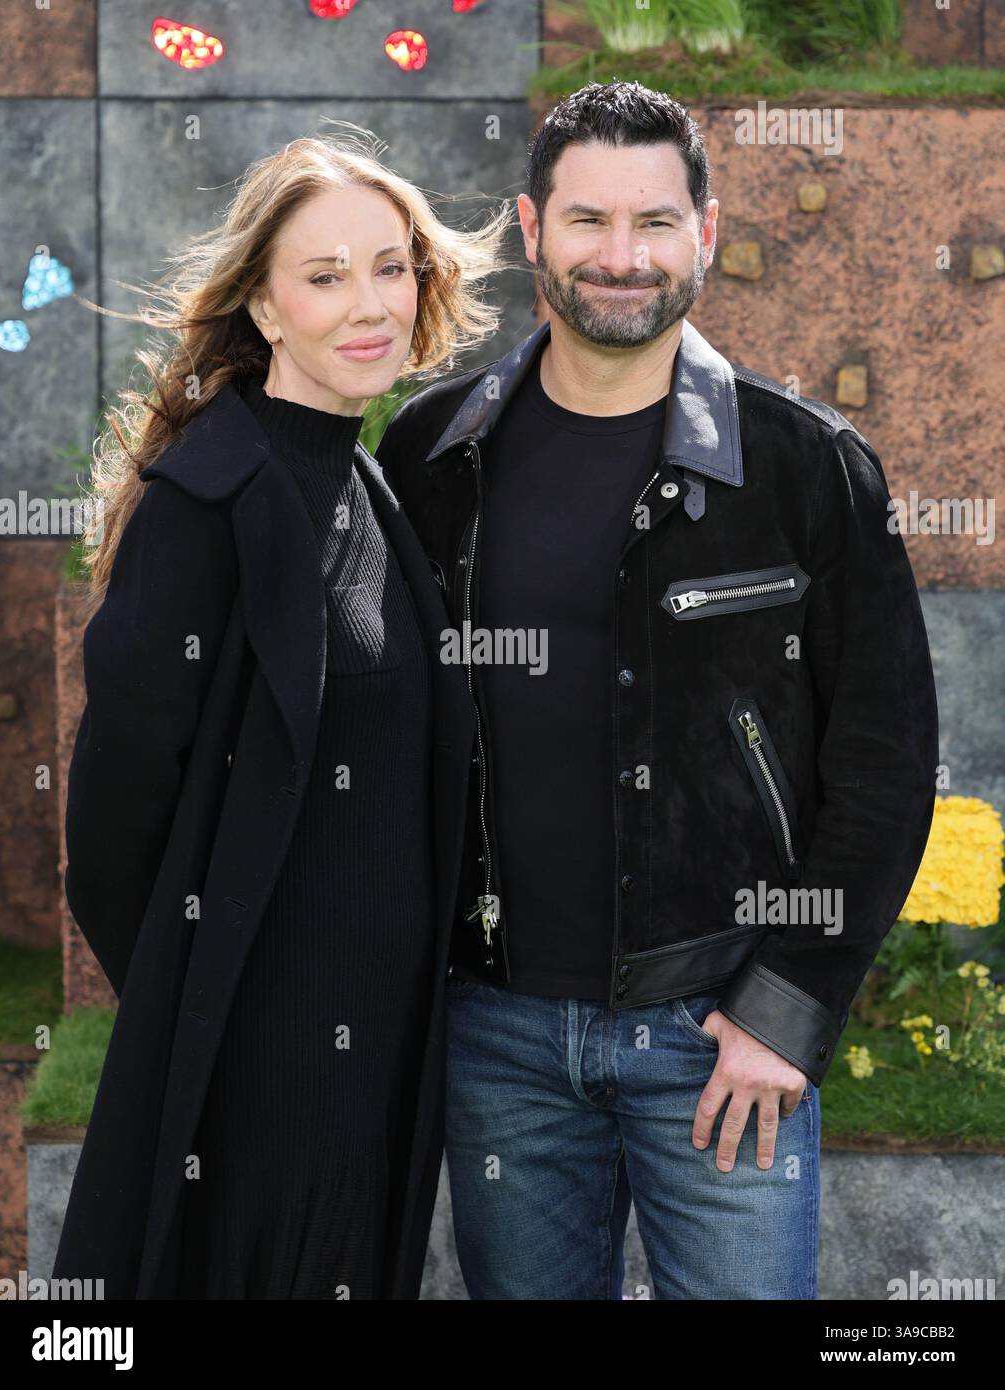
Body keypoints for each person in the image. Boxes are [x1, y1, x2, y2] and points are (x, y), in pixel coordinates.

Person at [375, 81, 939, 1299]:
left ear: (709, 234)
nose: (620, 258)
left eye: (654, 223)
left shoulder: (807, 468)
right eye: (587, 222)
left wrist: (789, 1004)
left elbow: (887, 767)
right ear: (532, 231)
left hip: (723, 1031)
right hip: (499, 1039)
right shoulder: (427, 459)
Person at [52, 124, 510, 1299]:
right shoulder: (208, 498)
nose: (370, 304)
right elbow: (113, 830)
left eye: (391, 266)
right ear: (264, 308)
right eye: (325, 275)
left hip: (375, 1069)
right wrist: (214, 1000)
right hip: (257, 1083)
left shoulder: (363, 477)